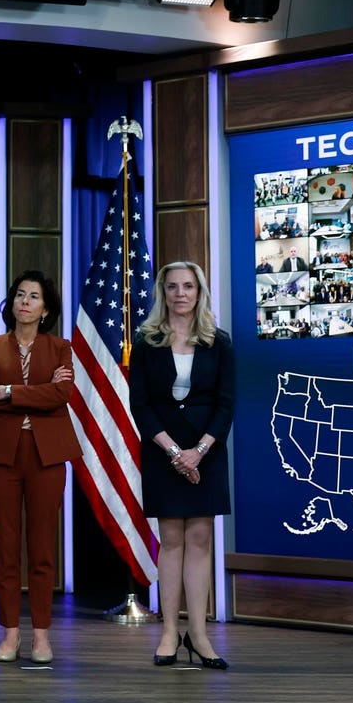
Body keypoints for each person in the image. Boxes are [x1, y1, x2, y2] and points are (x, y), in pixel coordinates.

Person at [128, 261, 235, 670]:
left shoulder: (219, 341)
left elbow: (226, 404)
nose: (180, 294)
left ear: (199, 291)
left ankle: (199, 635)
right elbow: (141, 404)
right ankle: (170, 632)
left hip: (207, 450)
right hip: (162, 450)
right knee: (171, 538)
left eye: (188, 286)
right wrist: (175, 452)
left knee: (201, 538)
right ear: (163, 292)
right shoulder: (147, 341)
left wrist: (199, 451)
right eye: (172, 287)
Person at [0, 270, 80, 664]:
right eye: (20, 294)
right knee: (6, 545)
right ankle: (10, 634)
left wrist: (10, 391)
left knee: (42, 546)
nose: (25, 302)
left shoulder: (60, 348)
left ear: (45, 309)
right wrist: (34, 393)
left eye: (34, 296)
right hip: (1, 455)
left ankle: (41, 636)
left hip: (46, 455)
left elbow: (61, 394)